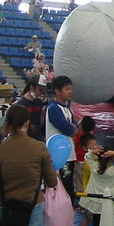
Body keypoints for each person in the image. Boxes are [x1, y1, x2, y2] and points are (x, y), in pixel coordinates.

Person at [0, 104, 57, 226]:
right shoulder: (40, 147)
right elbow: (51, 182)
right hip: (32, 206)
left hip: (2, 206)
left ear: (7, 123)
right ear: (27, 122)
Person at [45, 75, 79, 210]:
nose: (70, 92)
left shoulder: (67, 108)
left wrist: (74, 129)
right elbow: (69, 129)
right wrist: (73, 129)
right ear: (57, 91)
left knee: (69, 185)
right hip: (59, 157)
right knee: (61, 186)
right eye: (67, 89)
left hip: (69, 155)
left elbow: (76, 128)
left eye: (71, 89)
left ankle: (68, 212)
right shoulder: (54, 108)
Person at [14, 74, 48, 141]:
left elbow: (40, 124)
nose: (41, 93)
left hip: (37, 137)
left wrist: (42, 113)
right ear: (32, 87)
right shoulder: (21, 104)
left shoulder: (39, 102)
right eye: (40, 90)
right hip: (25, 139)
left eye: (43, 90)